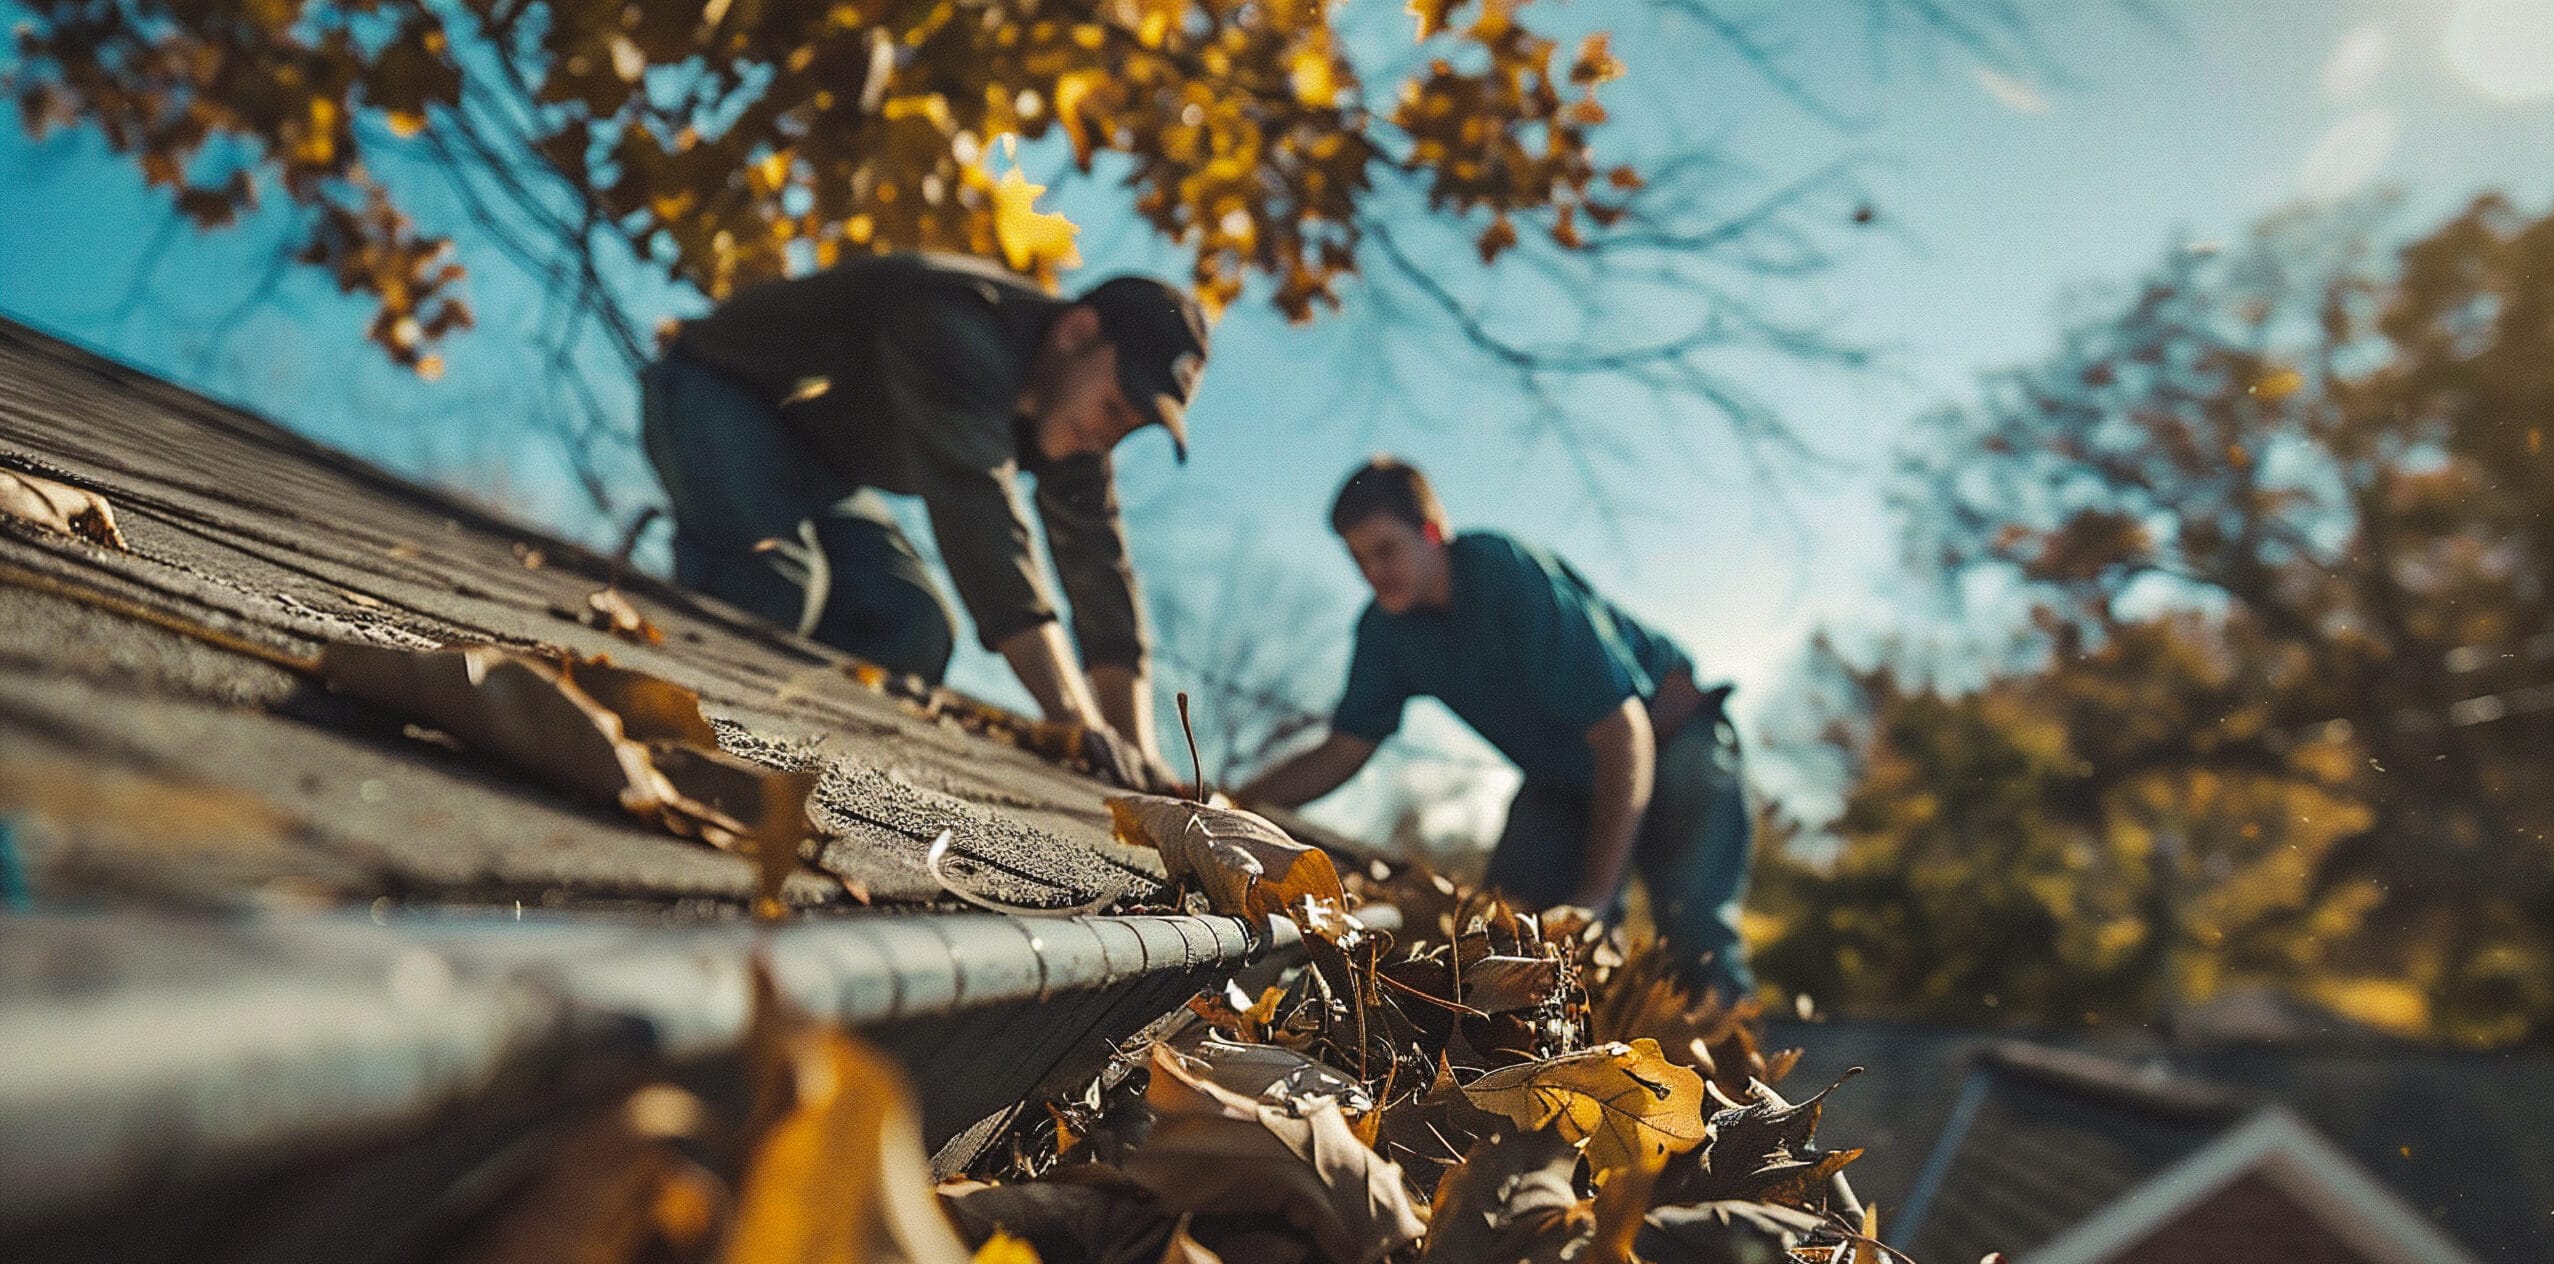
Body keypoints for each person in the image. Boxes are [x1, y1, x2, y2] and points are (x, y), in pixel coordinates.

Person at [639, 251, 1209, 788]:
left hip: (823, 468)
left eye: (1131, 427)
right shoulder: (960, 321)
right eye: (1114, 407)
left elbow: (1098, 568)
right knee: (776, 581)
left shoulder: (1071, 416)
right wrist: (1076, 724)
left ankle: (778, 760)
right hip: (713, 391)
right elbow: (981, 521)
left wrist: (1139, 757)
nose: (1110, 437)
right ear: (1076, 333)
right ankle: (662, 737)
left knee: (913, 626)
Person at [1238, 458, 1757, 1002]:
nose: (1373, 572)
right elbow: (1344, 749)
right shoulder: (1385, 632)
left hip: (1672, 739)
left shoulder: (1504, 573)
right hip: (1562, 778)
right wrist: (1237, 803)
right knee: (1509, 932)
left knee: (1695, 943)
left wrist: (1596, 900)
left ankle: (1740, 1073)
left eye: (1386, 550)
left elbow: (1621, 731)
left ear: (1432, 533)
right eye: (1358, 558)